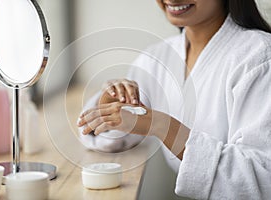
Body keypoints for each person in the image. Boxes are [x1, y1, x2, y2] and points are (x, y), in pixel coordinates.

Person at [77, 0, 271, 199]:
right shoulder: (158, 57)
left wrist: (163, 126)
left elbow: (262, 178)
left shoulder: (259, 56)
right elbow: (114, 139)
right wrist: (109, 109)